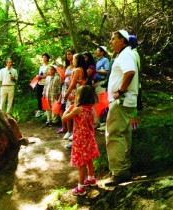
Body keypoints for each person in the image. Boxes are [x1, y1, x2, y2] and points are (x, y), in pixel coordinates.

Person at [104, 29, 139, 186]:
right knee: (124, 134)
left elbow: (130, 72)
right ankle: (124, 168)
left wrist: (120, 91)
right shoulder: (127, 54)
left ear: (122, 41)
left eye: (113, 38)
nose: (110, 42)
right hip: (125, 101)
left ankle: (119, 173)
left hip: (121, 101)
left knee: (114, 135)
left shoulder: (125, 55)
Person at [62, 85, 99, 196]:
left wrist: (68, 109)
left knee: (81, 163)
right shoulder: (91, 108)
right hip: (89, 137)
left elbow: (64, 118)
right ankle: (91, 178)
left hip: (80, 140)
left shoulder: (78, 109)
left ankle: (80, 188)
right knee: (89, 159)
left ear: (80, 97)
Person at [63, 53, 87, 148]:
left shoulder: (77, 70)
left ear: (77, 60)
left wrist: (66, 94)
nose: (72, 60)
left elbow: (72, 84)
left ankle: (74, 137)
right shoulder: (82, 70)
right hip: (79, 94)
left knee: (72, 115)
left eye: (73, 59)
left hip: (74, 94)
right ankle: (74, 137)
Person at [57, 50, 75, 134]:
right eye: (67, 54)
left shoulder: (76, 65)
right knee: (65, 109)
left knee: (72, 109)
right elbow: (63, 78)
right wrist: (62, 78)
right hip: (65, 88)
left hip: (73, 89)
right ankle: (68, 130)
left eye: (70, 54)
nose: (68, 56)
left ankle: (73, 130)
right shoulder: (66, 66)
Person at [35, 53, 50, 117]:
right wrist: (38, 77)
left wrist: (41, 77)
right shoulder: (41, 67)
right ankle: (40, 110)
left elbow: (49, 75)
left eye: (45, 57)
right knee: (39, 96)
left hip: (45, 83)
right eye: (43, 57)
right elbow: (40, 74)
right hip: (39, 83)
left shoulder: (49, 66)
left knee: (45, 97)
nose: (44, 58)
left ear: (48, 58)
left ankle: (46, 110)